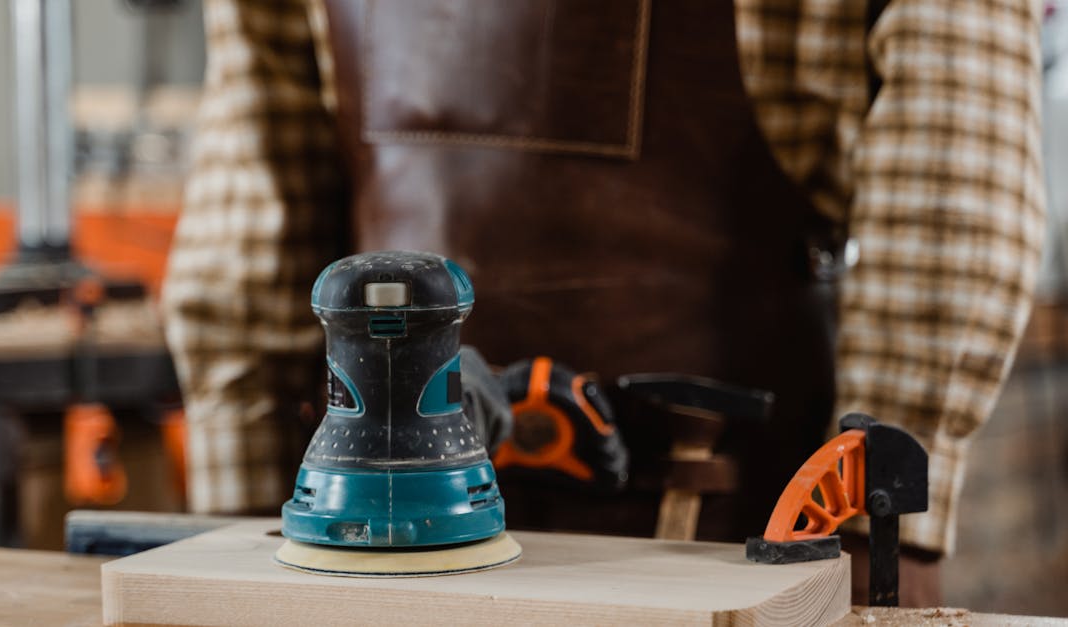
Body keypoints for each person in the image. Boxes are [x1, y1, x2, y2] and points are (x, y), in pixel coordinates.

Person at [162, 0, 1044, 606]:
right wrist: (240, 547)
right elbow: (254, 229)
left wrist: (864, 532)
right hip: (369, 555)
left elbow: (949, 204)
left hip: (738, 550)